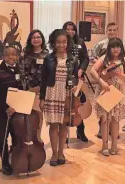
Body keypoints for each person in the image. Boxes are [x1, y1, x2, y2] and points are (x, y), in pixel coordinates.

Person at [39, 29, 79, 166]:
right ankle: (54, 154)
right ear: (53, 43)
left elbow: (76, 79)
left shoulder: (73, 59)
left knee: (64, 126)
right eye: (58, 42)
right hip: (52, 93)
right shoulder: (48, 58)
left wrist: (74, 85)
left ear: (68, 43)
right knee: (53, 125)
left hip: (67, 95)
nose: (61, 45)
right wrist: (42, 99)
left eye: (64, 42)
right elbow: (43, 80)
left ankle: (61, 152)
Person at [90, 37, 125, 156]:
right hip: (106, 90)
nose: (115, 49)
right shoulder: (104, 58)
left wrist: (120, 74)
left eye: (118, 46)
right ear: (109, 48)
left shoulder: (124, 60)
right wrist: (102, 82)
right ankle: (104, 146)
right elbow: (92, 71)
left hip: (118, 92)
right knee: (105, 120)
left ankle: (114, 146)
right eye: (113, 47)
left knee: (115, 120)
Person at [0, 46, 21, 175]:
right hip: (3, 110)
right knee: (3, 136)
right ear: (3, 57)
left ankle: (15, 159)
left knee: (16, 134)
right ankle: (4, 163)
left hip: (17, 110)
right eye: (8, 55)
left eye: (13, 54)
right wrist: (6, 107)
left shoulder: (19, 70)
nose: (11, 57)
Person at [19, 29, 48, 142]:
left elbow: (49, 74)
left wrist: (40, 88)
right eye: (34, 37)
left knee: (39, 114)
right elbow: (21, 72)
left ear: (42, 39)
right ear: (30, 40)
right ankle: (27, 136)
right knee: (27, 114)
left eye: (38, 37)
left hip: (41, 90)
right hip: (27, 89)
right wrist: (28, 89)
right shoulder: (24, 54)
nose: (36, 39)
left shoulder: (47, 55)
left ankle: (38, 136)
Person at [62, 21, 90, 142]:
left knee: (78, 104)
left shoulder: (80, 42)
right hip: (64, 78)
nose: (70, 31)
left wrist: (81, 70)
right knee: (65, 105)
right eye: (67, 29)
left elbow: (85, 58)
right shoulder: (61, 41)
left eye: (72, 29)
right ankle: (64, 134)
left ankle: (81, 130)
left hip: (77, 77)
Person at [93, 22, 118, 138]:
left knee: (114, 106)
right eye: (110, 30)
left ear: (117, 31)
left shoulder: (119, 44)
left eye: (114, 30)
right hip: (103, 78)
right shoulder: (100, 44)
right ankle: (101, 129)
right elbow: (93, 57)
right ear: (106, 31)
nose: (112, 32)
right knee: (102, 104)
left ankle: (112, 129)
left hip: (115, 80)